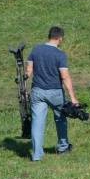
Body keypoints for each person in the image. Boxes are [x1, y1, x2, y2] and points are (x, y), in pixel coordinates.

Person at [24, 26, 80, 161]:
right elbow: (65, 77)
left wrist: (24, 83)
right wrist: (73, 98)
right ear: (60, 38)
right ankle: (62, 147)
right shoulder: (59, 54)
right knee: (61, 119)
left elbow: (28, 71)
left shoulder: (36, 50)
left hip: (37, 91)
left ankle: (37, 155)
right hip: (55, 92)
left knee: (37, 123)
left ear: (49, 36)